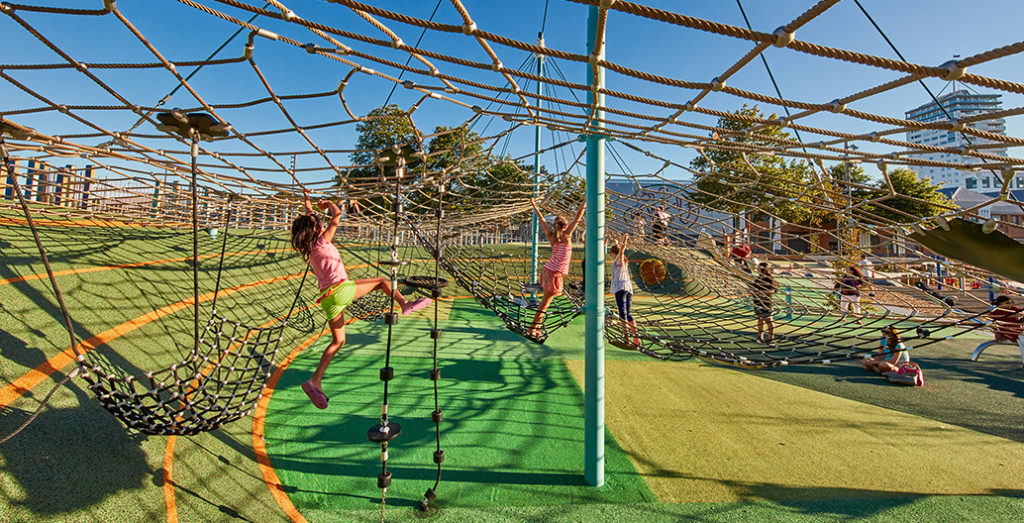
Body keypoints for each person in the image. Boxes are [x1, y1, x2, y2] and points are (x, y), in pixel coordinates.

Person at [292, 189, 432, 409]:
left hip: (328, 300)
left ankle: (314, 381)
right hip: (340, 290)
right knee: (381, 281)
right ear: (316, 229)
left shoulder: (311, 247)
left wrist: (308, 202)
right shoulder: (322, 241)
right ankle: (405, 304)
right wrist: (328, 204)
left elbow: (309, 218)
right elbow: (337, 215)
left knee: (338, 341)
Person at [529, 197, 586, 339]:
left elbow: (542, 220)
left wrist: (534, 205)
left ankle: (535, 327)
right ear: (565, 226)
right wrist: (584, 201)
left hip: (549, 269)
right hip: (555, 272)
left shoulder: (551, 236)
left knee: (546, 301)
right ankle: (533, 328)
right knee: (545, 302)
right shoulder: (567, 235)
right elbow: (578, 216)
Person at [610, 234, 640, 347]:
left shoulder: (619, 259)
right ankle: (636, 339)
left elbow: (621, 251)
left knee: (623, 314)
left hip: (620, 289)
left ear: (614, 253)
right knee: (628, 313)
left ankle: (627, 339)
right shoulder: (623, 262)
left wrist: (623, 241)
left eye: (611, 253)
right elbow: (619, 250)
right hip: (628, 289)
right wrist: (616, 242)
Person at [988, 295, 1024, 370]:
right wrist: (996, 333)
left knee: (1021, 339)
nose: (1009, 305)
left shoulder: (1014, 309)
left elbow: (1022, 312)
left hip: (1018, 330)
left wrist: (1021, 316)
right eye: (1007, 303)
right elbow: (990, 322)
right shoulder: (995, 312)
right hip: (1007, 331)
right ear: (1000, 304)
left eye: (1010, 303)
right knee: (1021, 339)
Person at [751, 262, 776, 344]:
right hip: (757, 302)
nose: (757, 269)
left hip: (766, 302)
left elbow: (771, 291)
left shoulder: (769, 279)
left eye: (758, 267)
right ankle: (760, 336)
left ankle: (770, 338)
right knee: (760, 319)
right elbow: (754, 289)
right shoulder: (758, 279)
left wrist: (761, 292)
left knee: (769, 320)